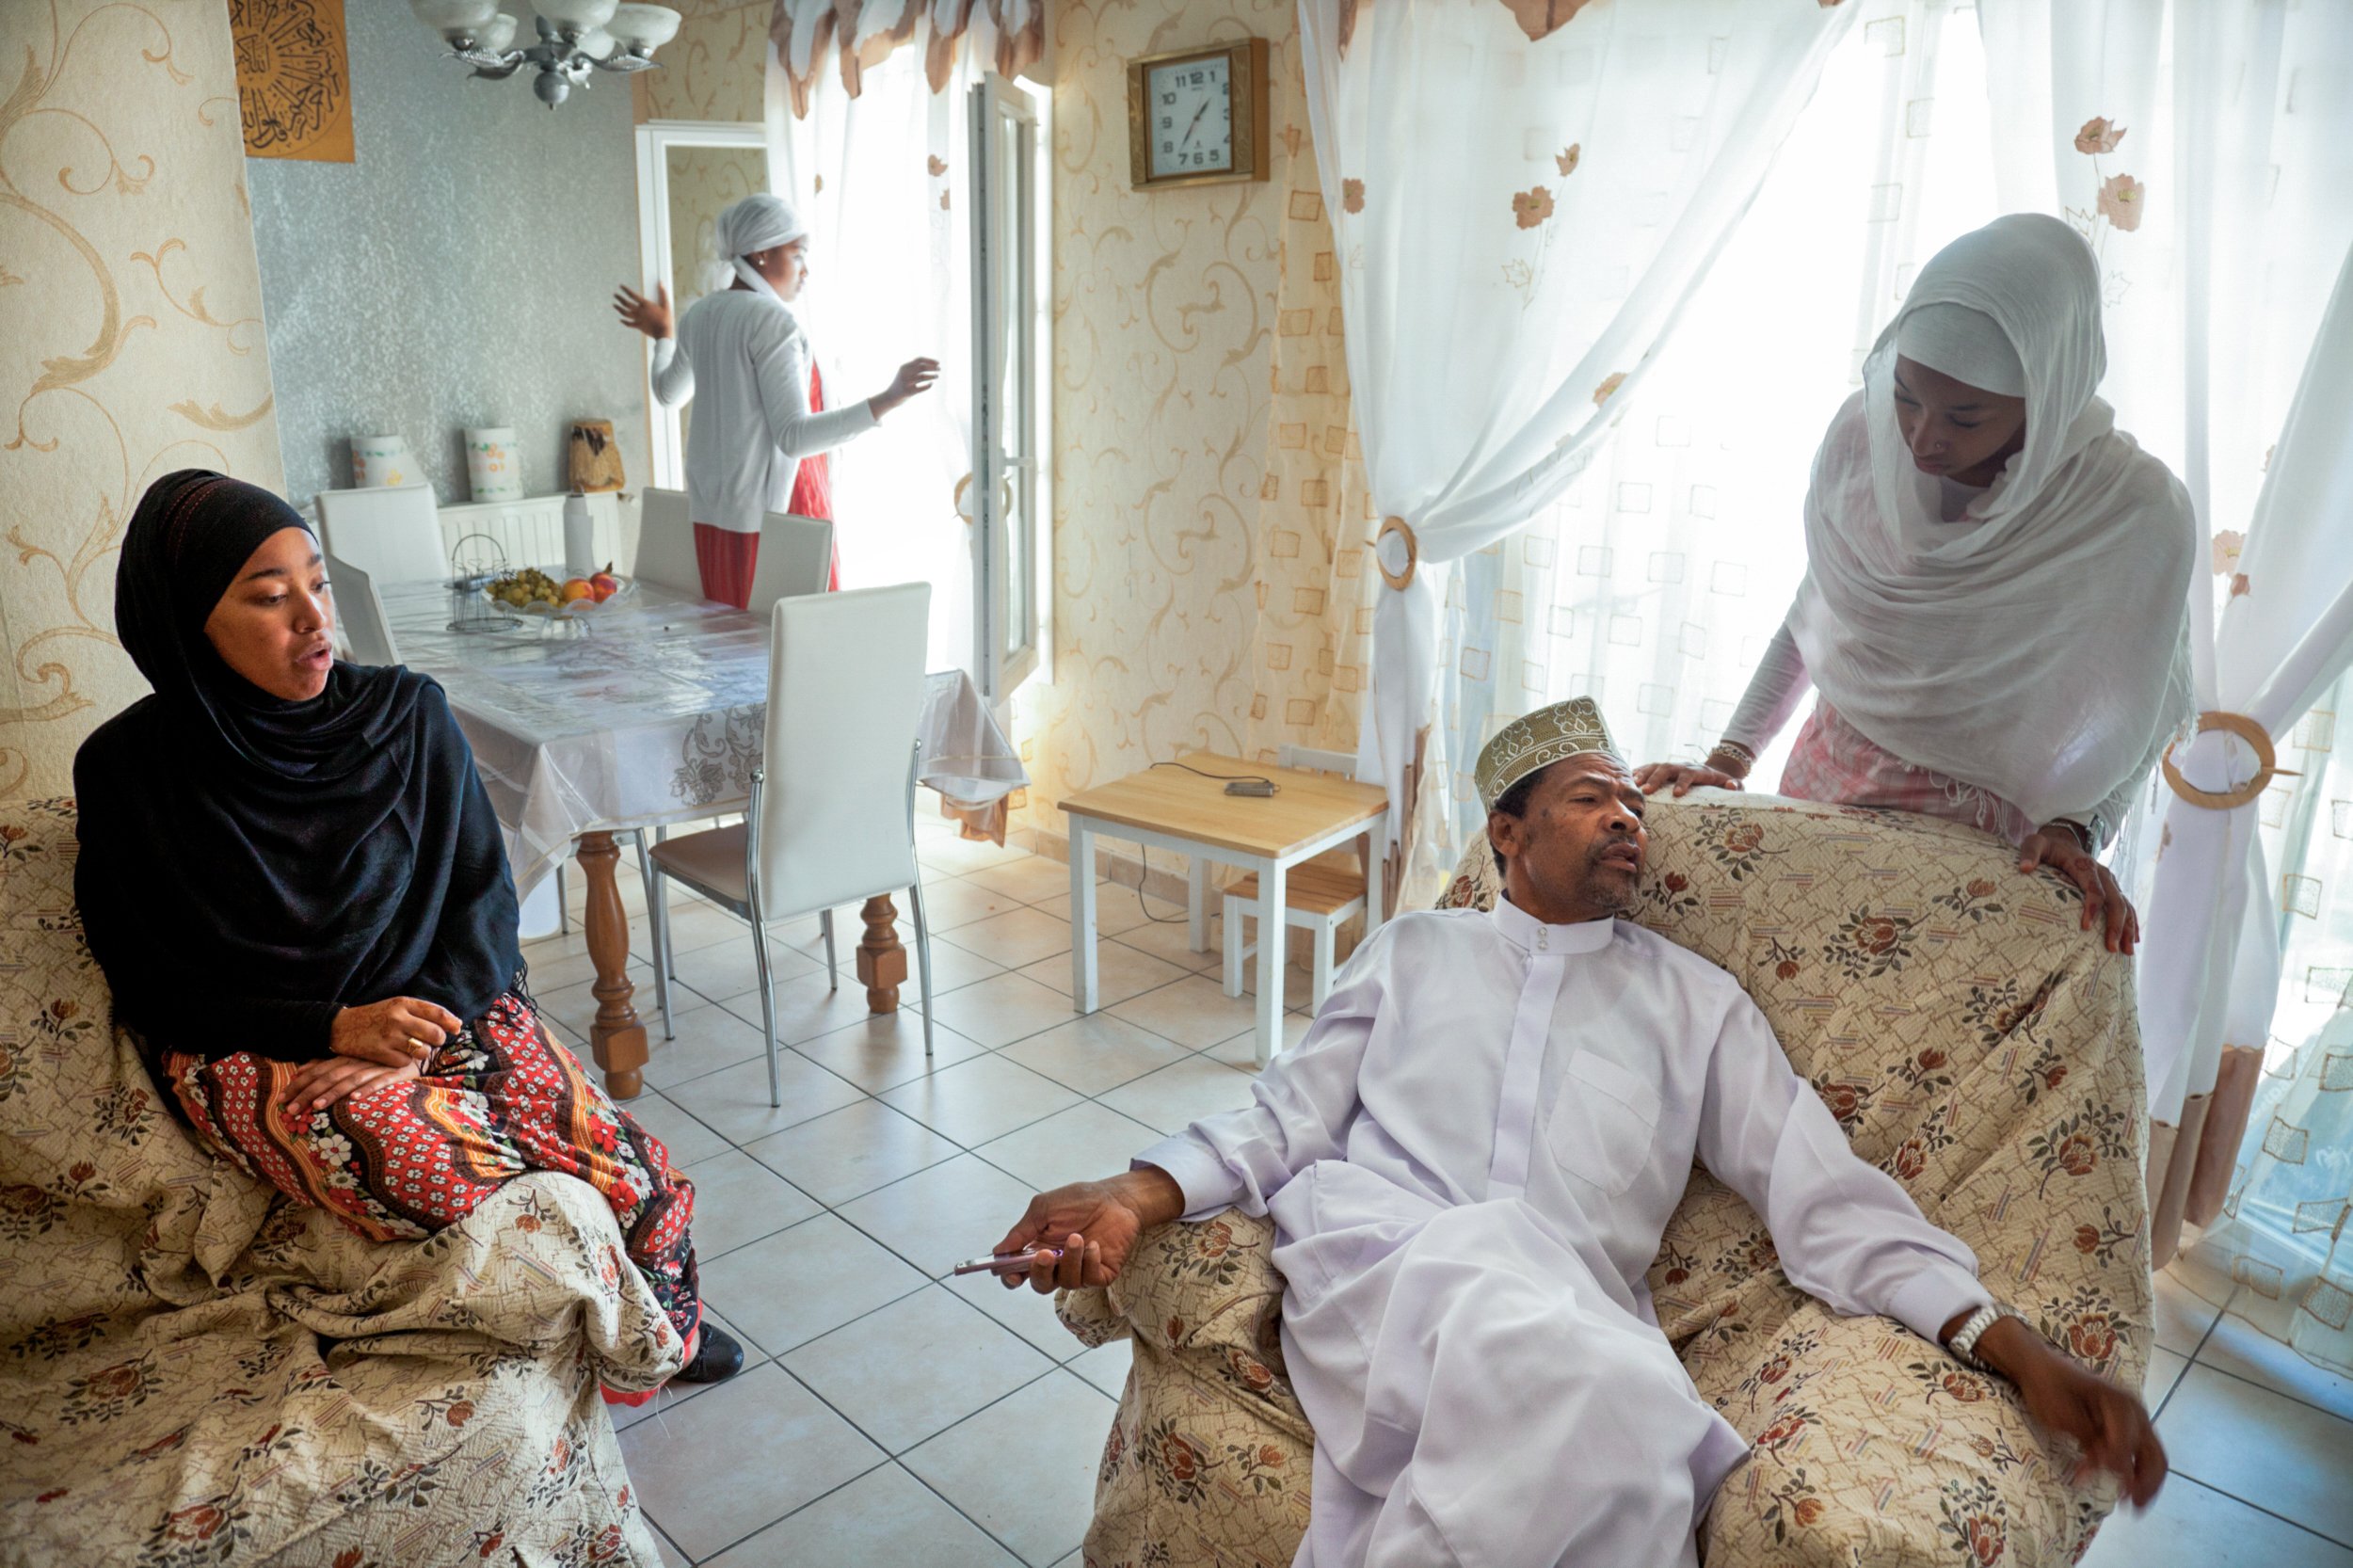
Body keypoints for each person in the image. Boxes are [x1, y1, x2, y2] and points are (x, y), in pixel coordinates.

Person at [993, 697, 2165, 1568]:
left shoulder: (1694, 1003)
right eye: (1590, 798)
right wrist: (1136, 1193)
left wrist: (2013, 1346)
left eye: (1635, 805)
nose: (1627, 821)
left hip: (1569, 1319)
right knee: (1614, 1399)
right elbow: (1286, 1110)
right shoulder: (1414, 952)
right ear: (1506, 833)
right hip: (1381, 1268)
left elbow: (1826, 1198)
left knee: (1634, 1436)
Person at [72, 470, 742, 1401]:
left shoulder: (404, 713)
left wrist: (413, 1032)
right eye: (269, 598)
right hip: (262, 1039)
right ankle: (605, 1318)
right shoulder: (129, 771)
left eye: (315, 580)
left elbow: (483, 903)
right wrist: (334, 1031)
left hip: (440, 996)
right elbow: (149, 981)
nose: (314, 617)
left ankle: (656, 1329)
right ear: (189, 624)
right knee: (449, 1167)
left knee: (633, 1172)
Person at [1634, 215, 2195, 958]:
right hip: (1825, 779)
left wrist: (2078, 828)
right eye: (1905, 395)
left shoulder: (2127, 506)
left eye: (1965, 416)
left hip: (1987, 837)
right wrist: (1731, 757)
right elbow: (1820, 612)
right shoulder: (1864, 443)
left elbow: (2142, 703)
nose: (1924, 437)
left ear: (2048, 392)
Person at [614, 191, 937, 607]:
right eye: (798, 254)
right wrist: (889, 398)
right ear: (762, 254)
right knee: (790, 649)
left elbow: (666, 393)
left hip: (714, 516)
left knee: (729, 648)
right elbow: (794, 438)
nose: (806, 270)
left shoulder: (701, 315)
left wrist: (663, 337)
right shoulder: (774, 323)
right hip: (780, 518)